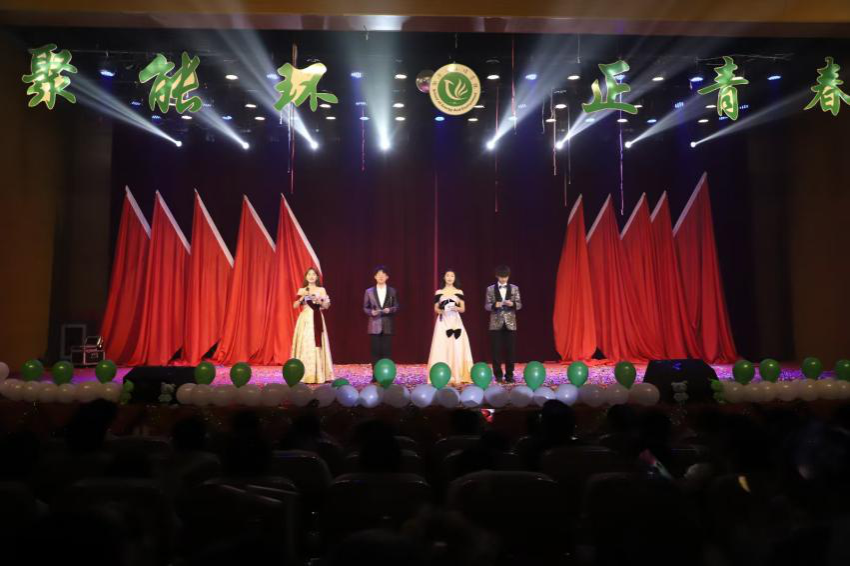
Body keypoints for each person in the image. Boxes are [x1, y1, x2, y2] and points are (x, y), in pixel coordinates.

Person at [427, 269, 474, 385]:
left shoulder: (459, 291)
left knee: (456, 346)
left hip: (456, 322)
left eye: (452, 276)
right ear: (444, 278)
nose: (449, 278)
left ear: (454, 278)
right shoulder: (439, 292)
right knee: (442, 346)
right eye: (447, 275)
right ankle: (441, 373)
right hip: (443, 322)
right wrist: (441, 310)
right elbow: (436, 308)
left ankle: (458, 374)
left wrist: (456, 308)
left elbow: (463, 309)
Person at [291, 267, 333, 383]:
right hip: (305, 319)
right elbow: (295, 305)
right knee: (306, 344)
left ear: (317, 277)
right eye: (309, 274)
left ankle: (319, 374)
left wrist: (319, 301)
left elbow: (327, 306)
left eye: (314, 274)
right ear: (306, 277)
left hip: (317, 318)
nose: (311, 276)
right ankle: (304, 374)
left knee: (317, 344)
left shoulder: (321, 290)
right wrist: (303, 297)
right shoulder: (302, 290)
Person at [484, 265, 522, 382]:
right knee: (496, 351)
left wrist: (512, 304)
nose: (503, 279)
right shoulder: (490, 289)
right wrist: (494, 305)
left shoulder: (514, 288)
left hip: (510, 324)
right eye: (501, 277)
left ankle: (509, 375)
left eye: (505, 277)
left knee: (511, 351)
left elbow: (519, 304)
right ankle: (498, 376)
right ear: (497, 276)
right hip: (495, 324)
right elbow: (486, 306)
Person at [363, 266, 400, 376]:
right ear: (375, 276)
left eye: (383, 274)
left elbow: (396, 306)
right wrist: (371, 312)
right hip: (374, 325)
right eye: (378, 274)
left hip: (387, 325)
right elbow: (365, 307)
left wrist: (390, 310)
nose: (381, 276)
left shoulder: (392, 291)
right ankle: (375, 375)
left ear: (387, 277)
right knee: (375, 352)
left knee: (387, 352)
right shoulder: (369, 291)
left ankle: (386, 375)